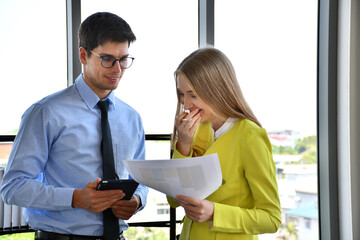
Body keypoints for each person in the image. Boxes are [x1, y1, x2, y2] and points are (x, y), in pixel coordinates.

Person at [0, 12, 148, 240]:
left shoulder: (132, 118)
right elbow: (13, 187)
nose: (118, 69)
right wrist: (75, 198)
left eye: (124, 59)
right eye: (108, 59)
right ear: (83, 55)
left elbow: (142, 180)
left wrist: (137, 201)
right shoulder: (46, 112)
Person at [167, 48, 281, 240]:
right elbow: (173, 201)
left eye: (193, 95)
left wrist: (215, 213)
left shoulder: (250, 136)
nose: (186, 105)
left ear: (216, 90)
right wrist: (183, 146)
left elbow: (271, 219)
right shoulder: (193, 132)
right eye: (181, 94)